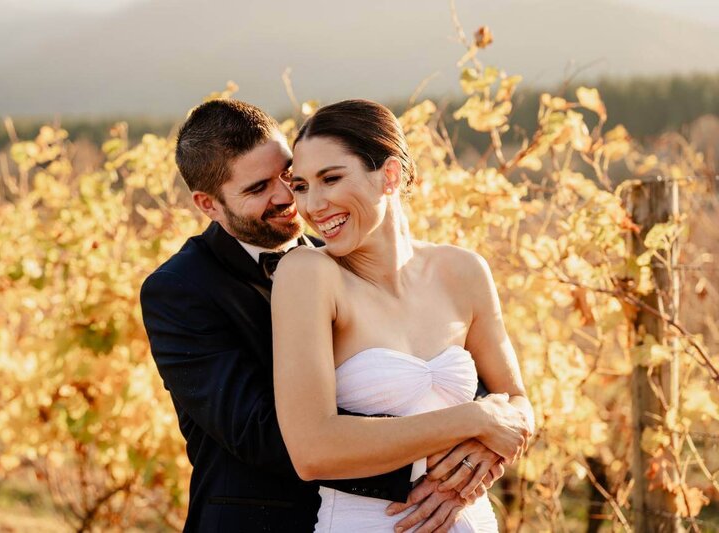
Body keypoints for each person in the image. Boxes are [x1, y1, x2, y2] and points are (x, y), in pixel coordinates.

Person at [140, 99, 505, 532]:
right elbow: (263, 433)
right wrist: (438, 462)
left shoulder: (341, 255)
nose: (287, 197)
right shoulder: (180, 289)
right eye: (258, 189)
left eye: (288, 176)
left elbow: (455, 377)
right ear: (209, 205)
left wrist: (483, 446)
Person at [272, 99, 535, 532]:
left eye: (331, 179)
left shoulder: (462, 270)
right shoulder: (309, 275)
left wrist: (484, 459)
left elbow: (519, 404)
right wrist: (473, 420)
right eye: (300, 186)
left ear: (390, 175)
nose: (313, 205)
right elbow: (311, 450)